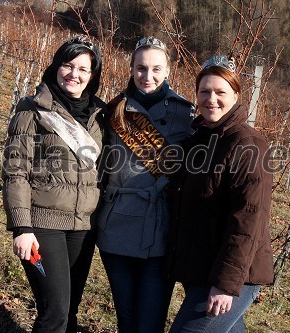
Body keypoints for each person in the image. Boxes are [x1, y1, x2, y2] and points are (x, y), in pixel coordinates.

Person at [2, 36, 105, 333]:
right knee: (54, 314)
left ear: (93, 75)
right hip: (42, 225)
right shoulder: (33, 109)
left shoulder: (100, 115)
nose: (75, 74)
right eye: (68, 65)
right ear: (56, 67)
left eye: (84, 69)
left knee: (69, 313)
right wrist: (22, 228)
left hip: (82, 228)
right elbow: (15, 171)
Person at [167, 55, 274, 333]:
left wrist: (225, 285)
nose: (211, 99)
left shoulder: (248, 143)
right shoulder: (199, 139)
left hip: (232, 279)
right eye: (204, 91)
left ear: (236, 95)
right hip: (203, 270)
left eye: (220, 92)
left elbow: (248, 220)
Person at [96, 36, 195, 333]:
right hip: (117, 227)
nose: (147, 76)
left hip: (159, 233)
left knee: (150, 324)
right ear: (131, 68)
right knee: (126, 320)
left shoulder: (185, 113)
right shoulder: (113, 110)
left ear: (168, 71)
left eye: (155, 69)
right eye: (140, 68)